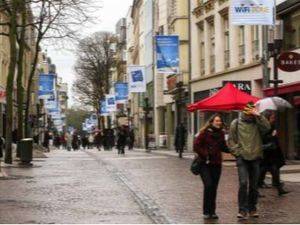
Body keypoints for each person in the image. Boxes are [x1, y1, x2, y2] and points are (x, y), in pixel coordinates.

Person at [228, 102, 270, 219]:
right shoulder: (236, 123)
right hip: (242, 157)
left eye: (252, 113)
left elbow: (267, 128)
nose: (250, 115)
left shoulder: (257, 122)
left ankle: (252, 208)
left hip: (255, 157)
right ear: (244, 112)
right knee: (243, 183)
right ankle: (242, 210)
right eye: (249, 113)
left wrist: (258, 115)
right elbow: (231, 141)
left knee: (254, 185)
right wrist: (238, 152)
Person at [193, 114, 229, 220]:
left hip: (216, 164)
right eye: (217, 121)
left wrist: (235, 150)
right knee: (208, 185)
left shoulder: (221, 134)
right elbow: (196, 145)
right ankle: (206, 211)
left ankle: (212, 211)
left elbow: (223, 147)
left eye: (220, 121)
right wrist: (205, 154)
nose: (219, 122)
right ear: (212, 121)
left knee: (214, 188)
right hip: (205, 164)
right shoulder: (204, 133)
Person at [258, 111, 289, 196]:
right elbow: (263, 138)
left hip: (272, 153)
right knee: (262, 172)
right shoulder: (264, 127)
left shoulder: (272, 126)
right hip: (266, 154)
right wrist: (272, 135)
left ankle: (279, 189)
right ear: (267, 118)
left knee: (274, 170)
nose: (274, 119)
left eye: (274, 117)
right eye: (272, 118)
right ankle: (255, 190)